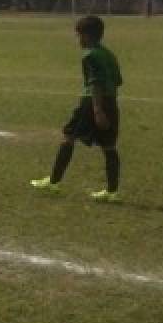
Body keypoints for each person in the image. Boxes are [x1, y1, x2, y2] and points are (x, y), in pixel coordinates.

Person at [31, 15, 123, 202]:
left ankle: (53, 182)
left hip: (91, 103)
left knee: (69, 138)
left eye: (78, 35)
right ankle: (112, 192)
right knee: (109, 147)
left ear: (87, 36)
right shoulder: (109, 54)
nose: (78, 40)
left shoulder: (90, 56)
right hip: (112, 102)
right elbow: (118, 81)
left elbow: (95, 83)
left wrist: (97, 110)